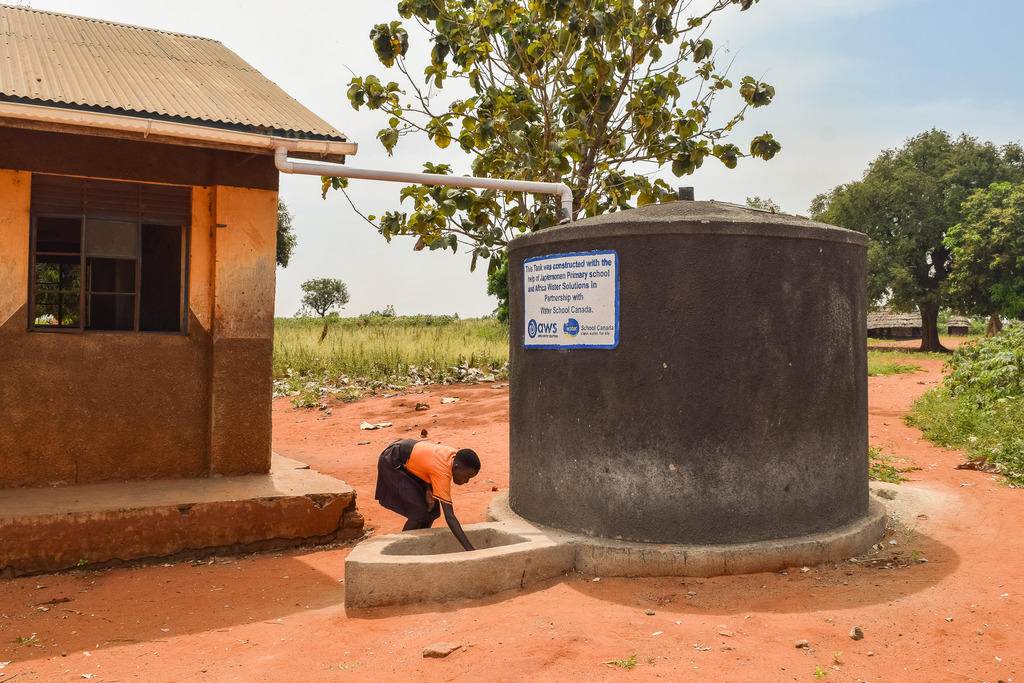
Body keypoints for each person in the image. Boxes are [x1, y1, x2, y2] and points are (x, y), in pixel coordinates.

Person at [374, 439, 480, 551]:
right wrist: (470, 549)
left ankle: (419, 546)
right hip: (392, 461)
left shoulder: (453, 456)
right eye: (467, 476)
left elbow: (427, 464)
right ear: (457, 467)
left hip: (408, 460)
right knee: (418, 512)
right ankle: (402, 550)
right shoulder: (443, 472)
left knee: (432, 510)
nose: (467, 481)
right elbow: (449, 516)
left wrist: (428, 489)